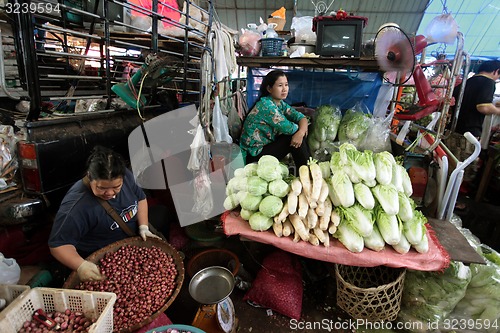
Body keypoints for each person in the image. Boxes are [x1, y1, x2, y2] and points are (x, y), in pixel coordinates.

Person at [48, 145, 166, 282]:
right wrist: (81, 265)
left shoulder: (126, 175)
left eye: (116, 187)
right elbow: (58, 245)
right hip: (105, 257)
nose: (109, 193)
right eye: (102, 188)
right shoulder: (77, 206)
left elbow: (141, 199)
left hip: (132, 241)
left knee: (162, 213)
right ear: (89, 177)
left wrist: (144, 227)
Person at [445, 60, 500, 194]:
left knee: (450, 166)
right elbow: (482, 107)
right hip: (469, 133)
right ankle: (452, 201)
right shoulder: (488, 82)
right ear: (495, 71)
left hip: (452, 130)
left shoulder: (467, 82)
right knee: (462, 169)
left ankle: (443, 196)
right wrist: (498, 111)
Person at [239, 70, 311, 168]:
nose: (284, 89)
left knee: (300, 133)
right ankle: (307, 171)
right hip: (254, 155)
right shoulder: (267, 106)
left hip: (265, 148)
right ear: (269, 88)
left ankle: (307, 170)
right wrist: (301, 131)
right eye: (280, 85)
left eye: (286, 85)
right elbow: (289, 129)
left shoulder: (279, 103)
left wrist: (302, 131)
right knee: (294, 135)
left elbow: (301, 117)